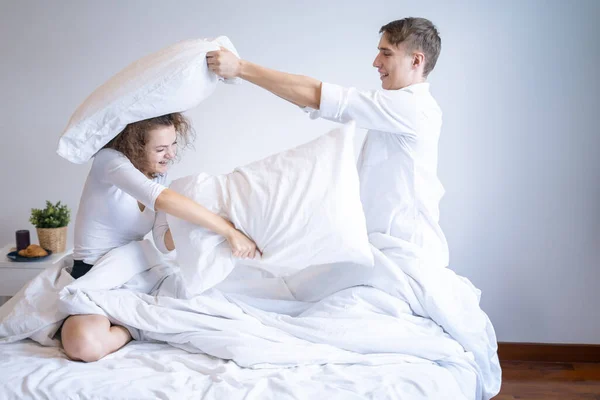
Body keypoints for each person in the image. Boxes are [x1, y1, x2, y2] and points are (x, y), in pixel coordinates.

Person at [207, 17, 449, 269]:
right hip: (383, 247)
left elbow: (317, 95)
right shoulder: (400, 107)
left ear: (416, 60)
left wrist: (241, 68)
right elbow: (313, 99)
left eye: (386, 53)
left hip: (408, 252)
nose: (376, 63)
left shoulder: (411, 107)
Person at [61, 113, 260, 362]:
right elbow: (161, 198)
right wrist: (227, 230)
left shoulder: (159, 175)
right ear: (135, 147)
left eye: (174, 144)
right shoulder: (108, 161)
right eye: (161, 149)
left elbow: (162, 241)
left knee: (221, 317)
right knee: (83, 346)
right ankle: (133, 328)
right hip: (96, 275)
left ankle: (132, 324)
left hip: (139, 277)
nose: (171, 154)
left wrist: (199, 225)